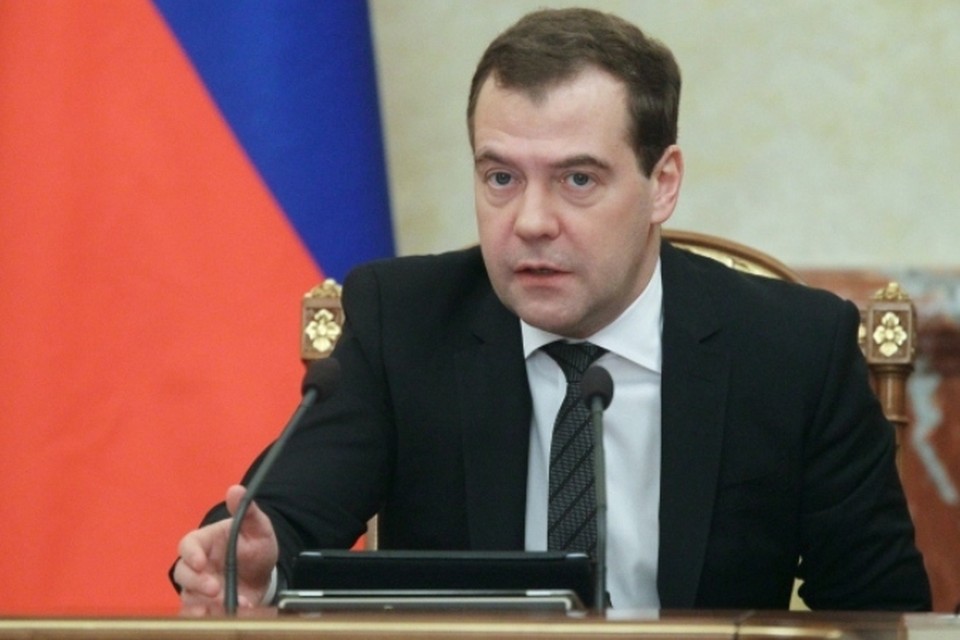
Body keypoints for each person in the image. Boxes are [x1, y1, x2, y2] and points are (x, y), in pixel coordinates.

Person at [172, 7, 931, 612]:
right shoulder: (405, 324)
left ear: (663, 184)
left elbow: (878, 609)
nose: (531, 221)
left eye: (577, 180)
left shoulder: (792, 349)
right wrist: (256, 561)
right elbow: (281, 522)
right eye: (501, 178)